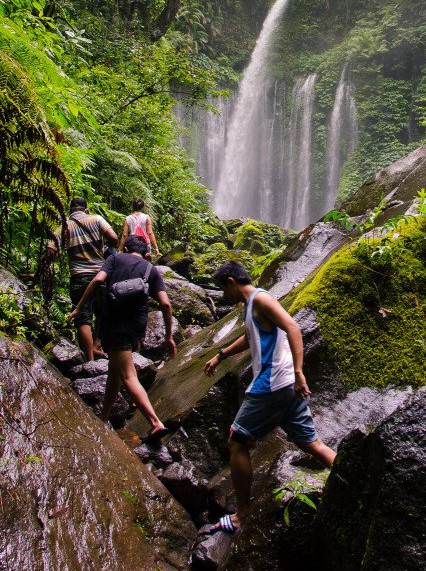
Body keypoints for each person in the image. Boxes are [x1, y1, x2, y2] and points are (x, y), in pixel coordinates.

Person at [203, 260, 336, 534]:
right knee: (313, 445)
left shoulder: (261, 299)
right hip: (287, 388)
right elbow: (251, 337)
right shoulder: (252, 304)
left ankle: (241, 515)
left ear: (231, 282)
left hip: (272, 385)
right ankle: (353, 481)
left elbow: (294, 327)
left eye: (222, 289)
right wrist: (221, 354)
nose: (222, 295)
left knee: (237, 442)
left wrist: (300, 372)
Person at [67, 234, 176, 441]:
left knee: (127, 374)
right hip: (136, 327)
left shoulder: (115, 259)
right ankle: (104, 416)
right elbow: (166, 304)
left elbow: (98, 280)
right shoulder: (150, 269)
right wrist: (168, 337)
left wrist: (80, 308)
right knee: (115, 370)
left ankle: (155, 422)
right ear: (146, 254)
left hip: (114, 323)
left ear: (124, 249)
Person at [45, 197, 118, 361]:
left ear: (70, 211)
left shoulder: (63, 227)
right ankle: (96, 345)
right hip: (100, 273)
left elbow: (50, 252)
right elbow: (113, 238)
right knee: (101, 312)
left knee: (83, 318)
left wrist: (39, 272)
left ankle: (90, 360)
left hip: (79, 276)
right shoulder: (97, 219)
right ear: (86, 210)